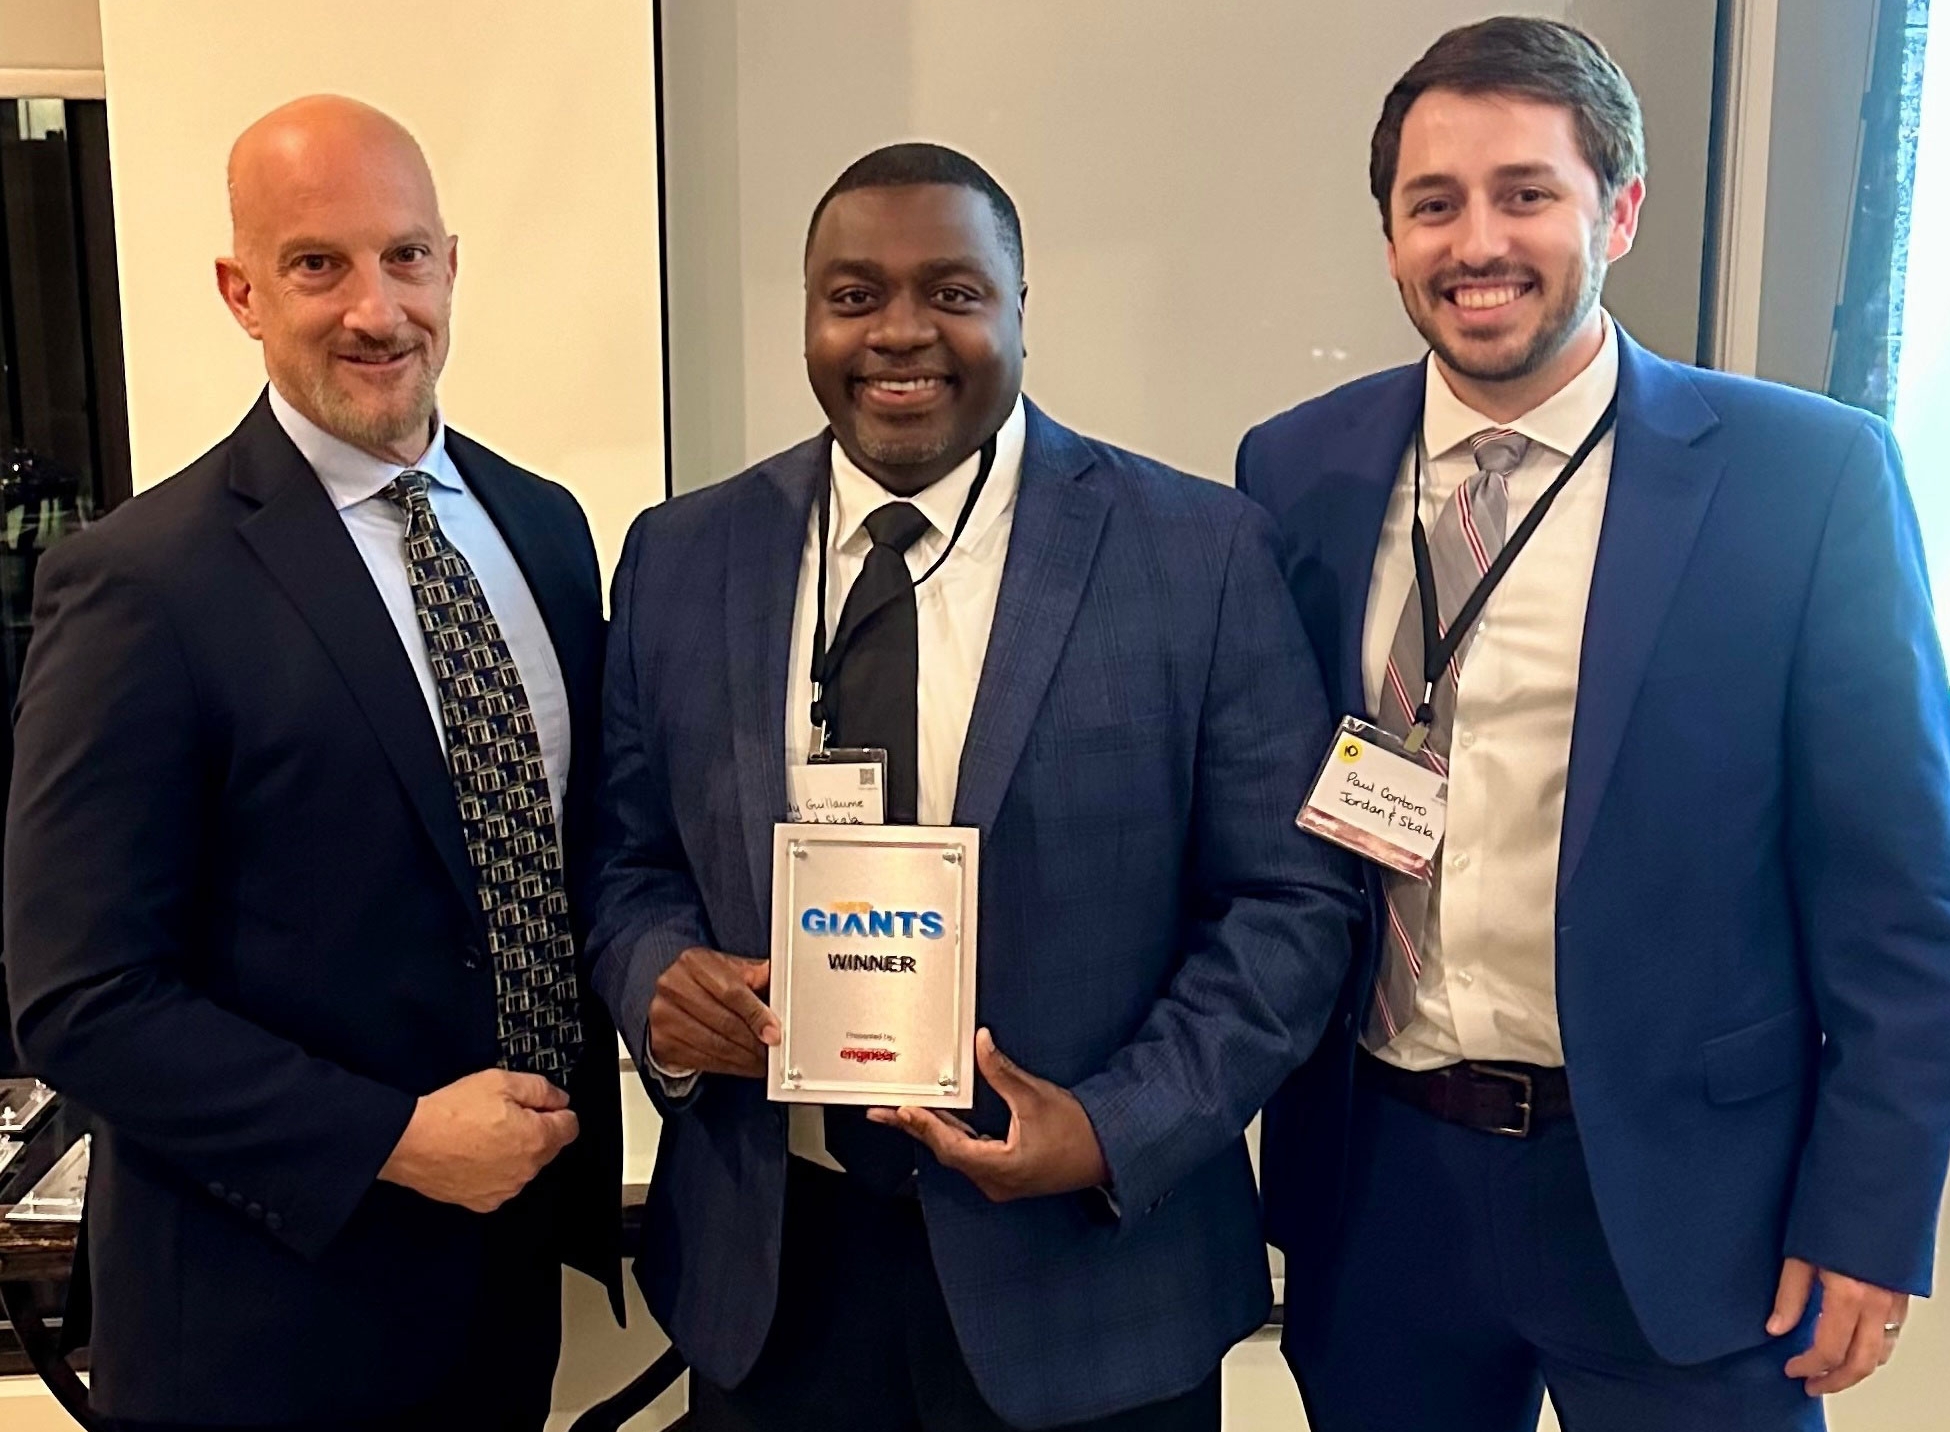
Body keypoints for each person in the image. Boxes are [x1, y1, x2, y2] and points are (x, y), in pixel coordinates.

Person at [1238, 17, 1950, 1432]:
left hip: (1685, 1196)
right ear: (1388, 237)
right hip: (1380, 1180)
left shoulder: (1798, 479)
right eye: (1431, 205)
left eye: (1525, 193)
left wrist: (1870, 1210)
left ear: (1615, 210)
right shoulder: (1295, 466)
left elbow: (1899, 893)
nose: (1475, 242)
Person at [589, 142, 1360, 1432]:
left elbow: (1290, 904)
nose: (900, 333)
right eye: (852, 295)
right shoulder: (683, 554)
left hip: (1088, 1283)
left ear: (1017, 309)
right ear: (808, 316)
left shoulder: (1198, 553)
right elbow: (624, 859)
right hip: (776, 1276)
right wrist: (658, 983)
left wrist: (1114, 1128)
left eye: (952, 292)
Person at [4, 96, 621, 1431]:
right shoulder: (137, 583)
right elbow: (80, 999)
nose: (375, 308)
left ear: (450, 264)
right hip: (258, 1327)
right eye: (316, 264)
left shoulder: (547, 531)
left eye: (404, 257)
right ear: (241, 290)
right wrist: (391, 1141)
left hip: (501, 1296)